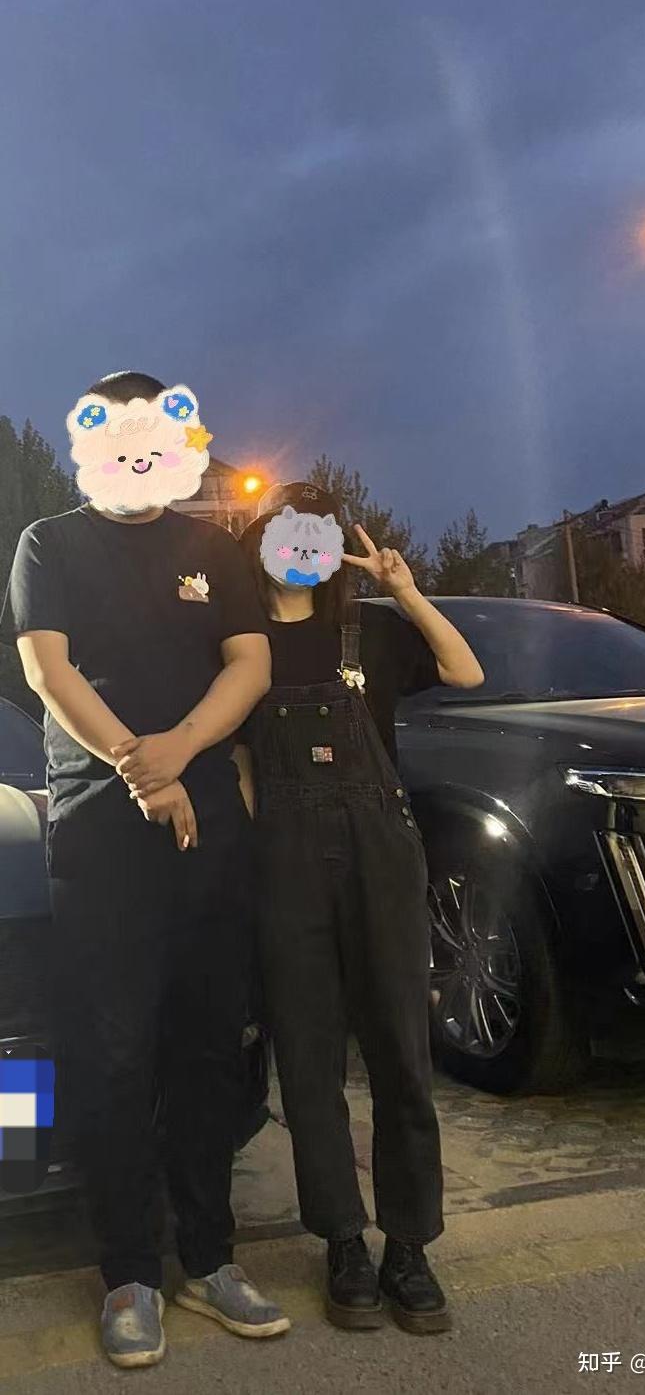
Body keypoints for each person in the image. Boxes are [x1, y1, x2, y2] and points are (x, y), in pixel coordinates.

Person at [0, 371, 290, 1368]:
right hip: (99, 831)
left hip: (208, 827)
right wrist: (137, 767)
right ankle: (128, 1273)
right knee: (114, 1054)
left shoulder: (212, 551)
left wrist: (179, 753)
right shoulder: (51, 544)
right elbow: (47, 669)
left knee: (206, 1048)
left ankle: (209, 1260)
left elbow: (250, 664)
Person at [238, 480, 485, 1335]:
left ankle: (408, 1246)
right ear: (260, 544)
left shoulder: (369, 630)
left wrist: (404, 590)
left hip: (380, 856)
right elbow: (238, 762)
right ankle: (342, 1241)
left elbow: (464, 670)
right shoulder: (241, 643)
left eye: (314, 532)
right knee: (307, 1062)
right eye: (282, 530)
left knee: (400, 1054)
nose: (298, 546)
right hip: (283, 863)